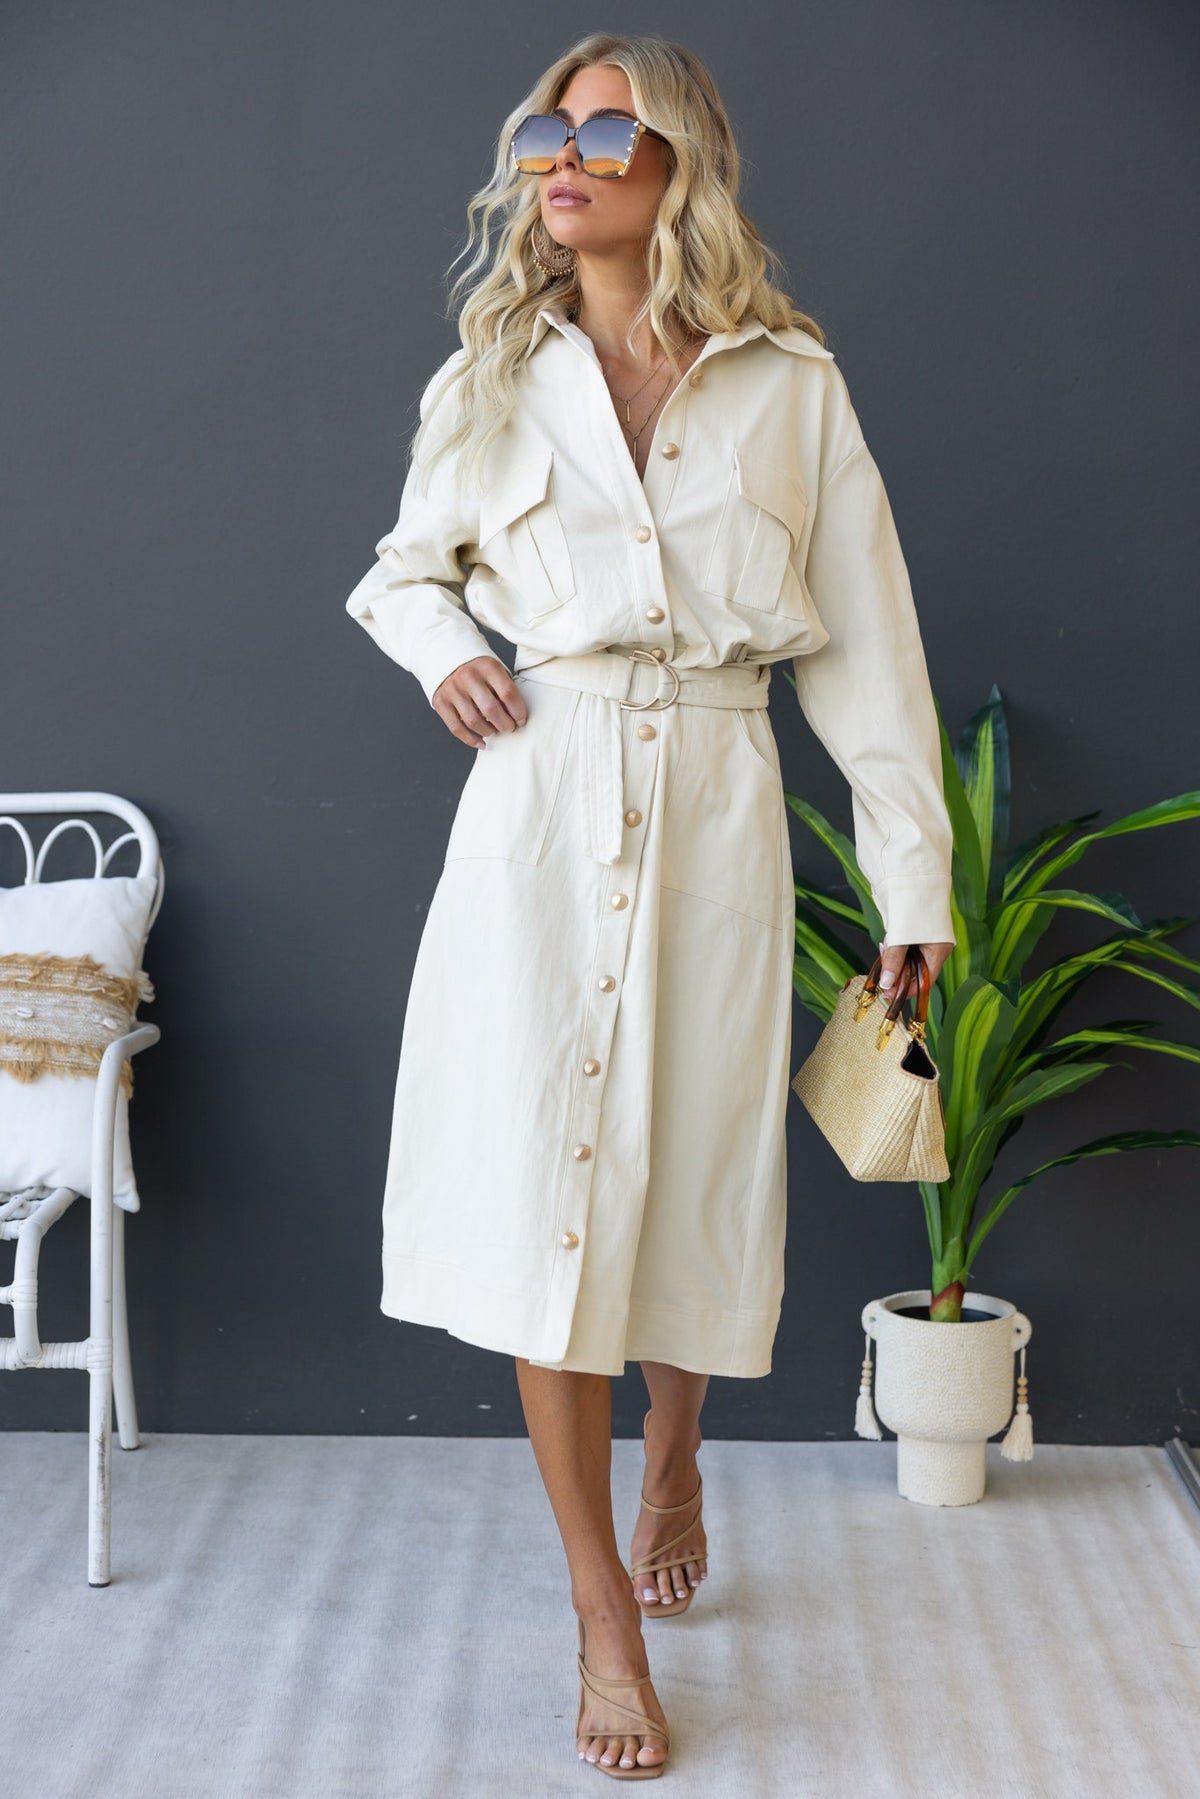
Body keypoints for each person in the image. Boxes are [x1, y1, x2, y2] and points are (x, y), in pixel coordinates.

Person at [345, 30, 955, 1780]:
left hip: (720, 787)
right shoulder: (488, 377)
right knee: (553, 1192)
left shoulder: (791, 385)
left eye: (603, 126)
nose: (563, 153)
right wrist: (451, 649)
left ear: (676, 159)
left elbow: (872, 654)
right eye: (545, 126)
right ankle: (602, 1606)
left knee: (686, 1168)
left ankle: (676, 1448)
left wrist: (912, 891)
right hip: (543, 794)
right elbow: (402, 570)